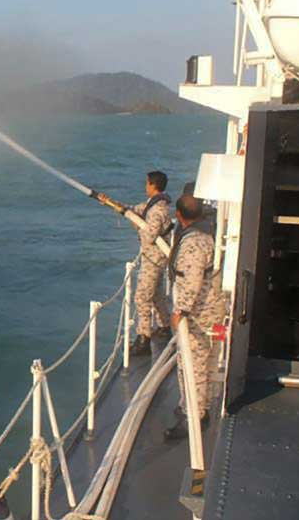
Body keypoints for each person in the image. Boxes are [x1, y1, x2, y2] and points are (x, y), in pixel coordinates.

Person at [163, 195, 225, 441]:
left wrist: (180, 311)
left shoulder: (193, 243)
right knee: (202, 364)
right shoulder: (206, 234)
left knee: (192, 366)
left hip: (199, 315)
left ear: (179, 215)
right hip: (208, 309)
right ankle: (198, 407)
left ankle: (193, 418)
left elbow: (192, 280)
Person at [100, 171, 174, 356]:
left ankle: (144, 339)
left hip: (154, 259)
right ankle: (164, 326)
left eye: (147, 183)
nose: (145, 186)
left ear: (153, 185)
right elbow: (133, 210)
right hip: (154, 257)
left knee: (141, 297)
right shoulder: (153, 204)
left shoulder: (157, 210)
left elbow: (149, 236)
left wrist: (137, 225)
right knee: (156, 293)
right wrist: (110, 203)